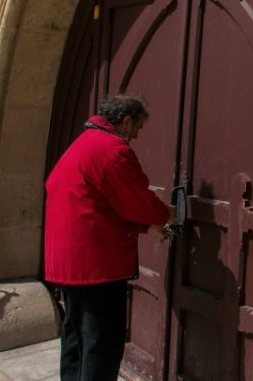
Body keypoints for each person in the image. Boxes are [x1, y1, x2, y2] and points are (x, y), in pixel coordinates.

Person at [44, 93, 174, 381]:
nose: (136, 135)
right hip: (96, 265)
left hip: (69, 263)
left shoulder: (84, 143)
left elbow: (100, 204)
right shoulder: (113, 149)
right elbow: (135, 199)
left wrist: (147, 225)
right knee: (101, 342)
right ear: (125, 121)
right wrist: (167, 216)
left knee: (76, 336)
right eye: (137, 127)